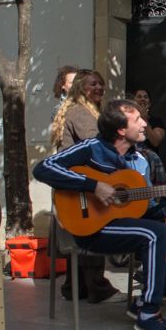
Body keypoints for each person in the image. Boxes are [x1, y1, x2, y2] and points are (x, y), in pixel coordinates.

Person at [34, 99, 166, 330]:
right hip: (90, 229)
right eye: (137, 120)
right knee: (153, 235)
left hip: (123, 227)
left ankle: (143, 301)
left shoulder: (140, 161)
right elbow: (43, 168)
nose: (145, 124)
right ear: (121, 130)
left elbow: (146, 212)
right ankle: (149, 315)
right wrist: (93, 185)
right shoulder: (91, 148)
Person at [50, 69, 118, 303]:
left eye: (101, 83)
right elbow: (95, 145)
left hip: (74, 183)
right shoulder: (81, 112)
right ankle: (97, 288)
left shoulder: (79, 110)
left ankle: (74, 288)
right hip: (82, 184)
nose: (99, 87)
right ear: (80, 88)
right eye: (93, 84)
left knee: (79, 234)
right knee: (91, 230)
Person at [131, 87, 166, 153]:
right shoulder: (127, 120)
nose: (142, 99)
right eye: (139, 97)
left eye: (145, 97)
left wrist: (144, 120)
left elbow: (156, 142)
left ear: (149, 104)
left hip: (150, 160)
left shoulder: (157, 121)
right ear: (133, 102)